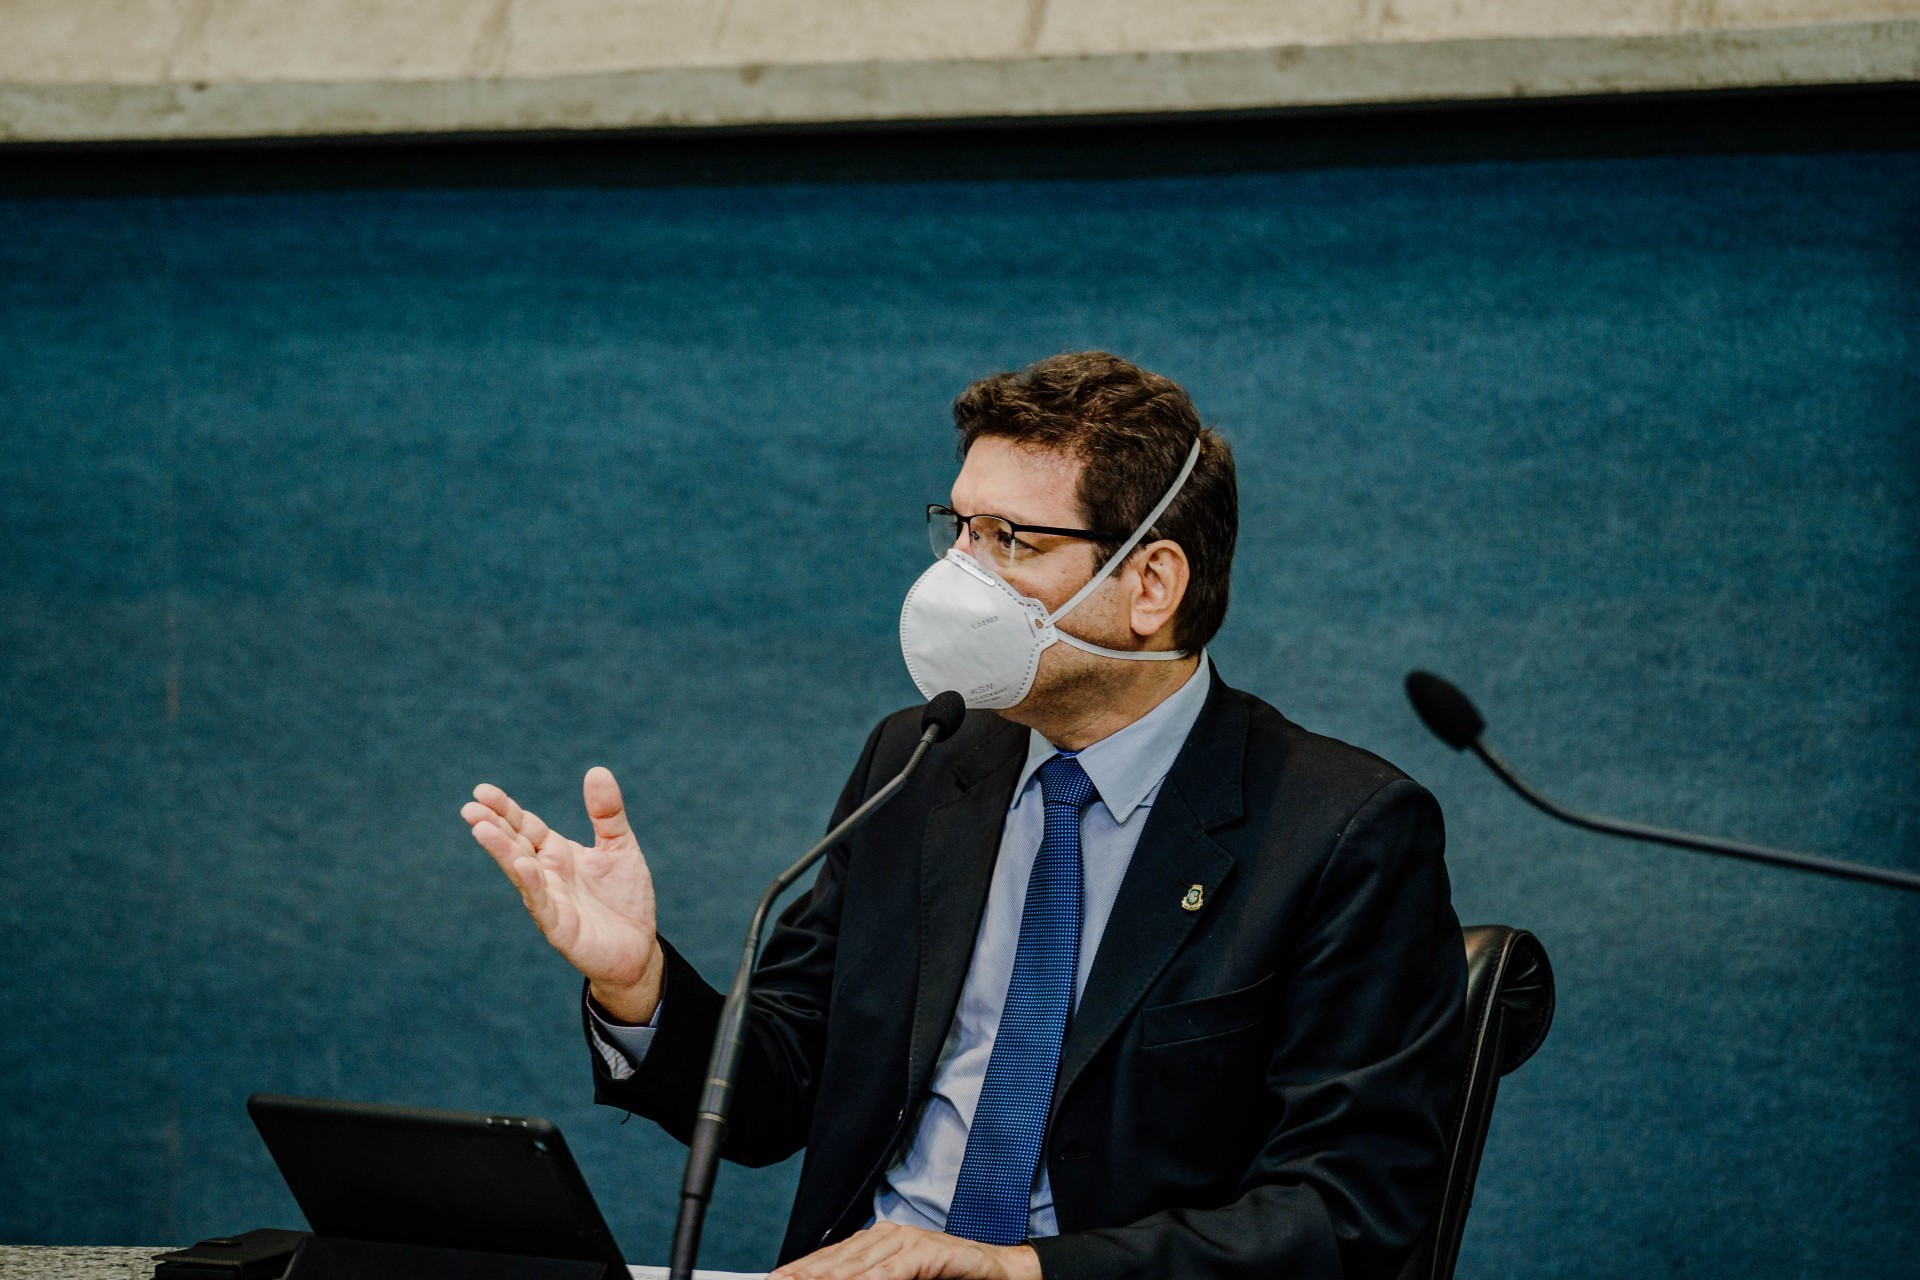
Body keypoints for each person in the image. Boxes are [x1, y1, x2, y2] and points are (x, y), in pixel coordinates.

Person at [463, 352, 1467, 1280]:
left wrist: (1014, 1271)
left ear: (1152, 584)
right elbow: (780, 1088)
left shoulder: (1342, 831)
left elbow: (1346, 1212)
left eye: (1010, 540)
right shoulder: (920, 760)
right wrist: (636, 981)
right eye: (960, 528)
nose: (961, 574)